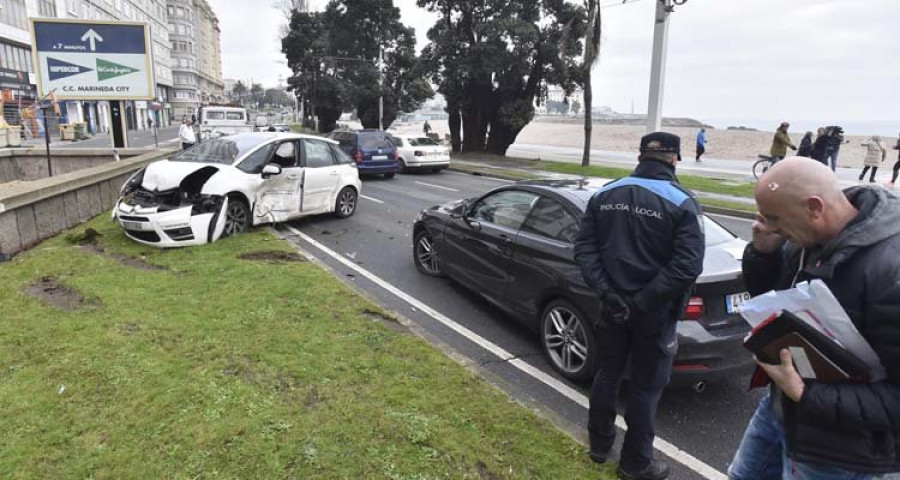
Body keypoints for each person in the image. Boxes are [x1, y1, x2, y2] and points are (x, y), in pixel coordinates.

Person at [728, 157, 900, 480]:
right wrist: (763, 253)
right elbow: (772, 299)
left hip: (842, 451)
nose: (770, 227)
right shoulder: (806, 239)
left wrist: (808, 394)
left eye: (775, 218)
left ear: (815, 207)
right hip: (782, 409)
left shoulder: (890, 271)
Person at [574, 132, 705, 480]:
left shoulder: (605, 193)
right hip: (655, 313)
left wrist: (608, 293)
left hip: (612, 306)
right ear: (675, 158)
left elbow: (584, 249)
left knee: (608, 371)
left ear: (640, 155)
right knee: (646, 386)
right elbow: (688, 266)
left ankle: (600, 445)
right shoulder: (682, 201)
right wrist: (643, 301)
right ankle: (636, 463)